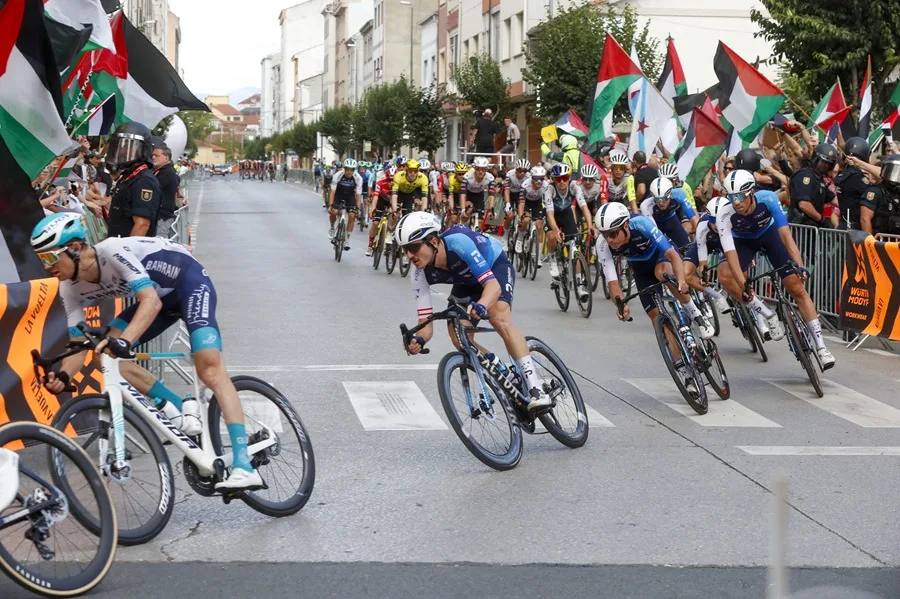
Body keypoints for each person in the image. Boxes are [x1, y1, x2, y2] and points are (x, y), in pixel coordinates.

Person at [30, 213, 264, 491]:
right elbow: (79, 344)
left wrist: (126, 341)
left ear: (76, 248)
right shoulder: (69, 289)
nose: (47, 268)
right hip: (158, 299)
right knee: (106, 352)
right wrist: (63, 375)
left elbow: (149, 302)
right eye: (41, 260)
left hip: (188, 283)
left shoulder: (112, 251)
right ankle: (179, 406)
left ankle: (243, 465)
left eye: (50, 258)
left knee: (210, 369)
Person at [397, 212, 552, 411]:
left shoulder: (458, 244)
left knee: (498, 317)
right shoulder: (418, 274)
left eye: (413, 247)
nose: (409, 256)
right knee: (459, 337)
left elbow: (493, 288)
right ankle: (505, 373)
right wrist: (419, 340)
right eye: (405, 250)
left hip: (494, 267)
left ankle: (536, 388)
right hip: (467, 282)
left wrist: (482, 305)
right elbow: (426, 323)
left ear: (433, 241)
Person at [716, 169, 836, 368]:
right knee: (726, 276)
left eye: (740, 196)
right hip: (743, 242)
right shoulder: (725, 214)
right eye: (731, 197)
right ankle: (766, 314)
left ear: (751, 193)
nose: (736, 202)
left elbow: (787, 237)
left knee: (796, 287)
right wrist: (744, 285)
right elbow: (731, 255)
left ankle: (822, 348)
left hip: (770, 236)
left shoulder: (768, 199)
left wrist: (799, 266)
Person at [596, 203, 716, 397]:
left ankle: (696, 314)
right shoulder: (603, 245)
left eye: (613, 234)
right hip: (641, 269)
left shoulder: (641, 224)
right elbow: (613, 283)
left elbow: (672, 255)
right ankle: (685, 372)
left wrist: (682, 281)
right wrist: (621, 305)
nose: (609, 240)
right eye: (605, 234)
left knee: (663, 273)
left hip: (662, 256)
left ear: (626, 226)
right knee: (656, 318)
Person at [543, 163, 595, 302]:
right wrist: (556, 230)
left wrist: (590, 227)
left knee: (574, 249)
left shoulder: (574, 187)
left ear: (569, 177)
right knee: (552, 236)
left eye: (564, 178)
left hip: (566, 215)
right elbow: (549, 214)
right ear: (554, 179)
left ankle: (579, 288)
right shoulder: (549, 189)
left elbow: (584, 208)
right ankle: (552, 258)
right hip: (552, 215)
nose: (561, 182)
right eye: (558, 179)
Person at [105, 122, 161, 238]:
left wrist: (126, 252)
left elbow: (142, 225)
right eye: (119, 146)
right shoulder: (129, 176)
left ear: (142, 149)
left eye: (126, 146)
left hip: (130, 251)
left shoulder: (144, 181)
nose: (121, 151)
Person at [788, 144, 839, 227]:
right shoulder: (805, 175)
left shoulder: (819, 180)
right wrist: (821, 219)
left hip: (812, 228)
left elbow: (835, 200)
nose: (826, 166)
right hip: (799, 228)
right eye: (823, 162)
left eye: (829, 164)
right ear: (815, 159)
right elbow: (804, 205)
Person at [640, 177, 698, 250]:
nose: (661, 203)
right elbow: (655, 232)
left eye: (664, 198)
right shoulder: (646, 205)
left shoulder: (679, 194)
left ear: (670, 194)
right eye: (657, 199)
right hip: (656, 225)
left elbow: (692, 217)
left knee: (686, 249)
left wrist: (699, 237)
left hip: (672, 221)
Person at [833, 137, 871, 230]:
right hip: (855, 229)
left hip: (844, 224)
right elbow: (874, 192)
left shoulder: (843, 174)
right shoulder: (857, 177)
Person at [860, 154, 900, 236]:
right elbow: (865, 219)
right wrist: (871, 244)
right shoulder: (874, 192)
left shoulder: (898, 193)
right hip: (879, 242)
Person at [329, 158, 363, 250]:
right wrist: (331, 205)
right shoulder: (338, 175)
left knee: (352, 215)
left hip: (350, 196)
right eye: (347, 169)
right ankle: (332, 228)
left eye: (351, 169)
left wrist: (358, 208)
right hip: (338, 195)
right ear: (344, 168)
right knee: (334, 211)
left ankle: (347, 239)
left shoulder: (358, 178)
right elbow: (332, 192)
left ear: (354, 170)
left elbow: (358, 195)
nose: (349, 172)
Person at [152, 141, 180, 239]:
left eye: (157, 155)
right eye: (153, 155)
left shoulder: (167, 173)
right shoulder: (160, 171)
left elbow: (153, 188)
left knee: (159, 241)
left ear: (166, 158)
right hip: (158, 216)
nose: (153, 157)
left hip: (162, 217)